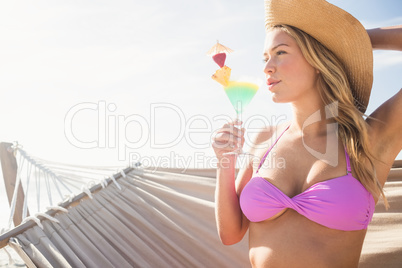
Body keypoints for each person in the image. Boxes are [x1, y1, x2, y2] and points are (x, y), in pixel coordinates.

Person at [212, 0, 402, 267]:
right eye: (265, 57)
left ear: (317, 59)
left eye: (280, 52)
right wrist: (224, 161)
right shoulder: (264, 140)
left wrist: (353, 41)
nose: (267, 67)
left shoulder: (368, 141)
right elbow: (231, 234)